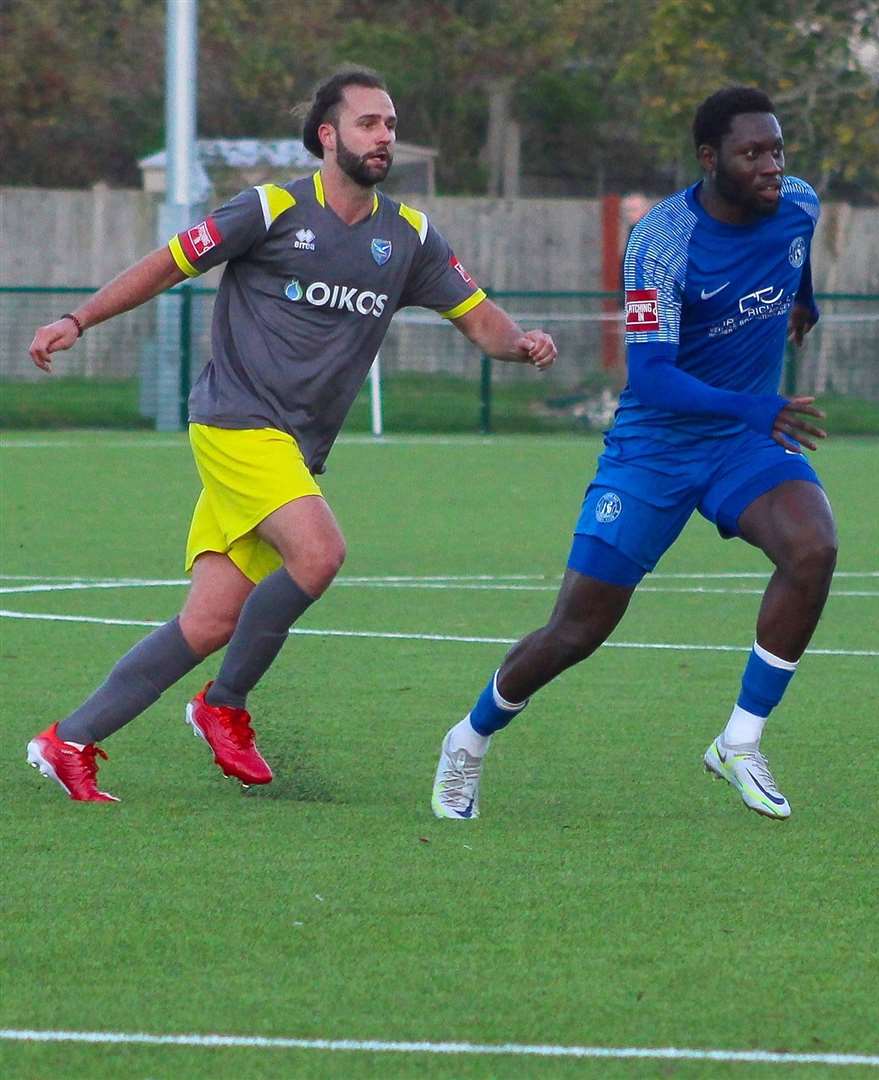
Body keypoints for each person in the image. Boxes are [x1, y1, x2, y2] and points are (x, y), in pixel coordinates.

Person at [23, 67, 558, 801]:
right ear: (328, 135)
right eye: (369, 123)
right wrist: (77, 319)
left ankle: (68, 740)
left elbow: (477, 316)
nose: (385, 137)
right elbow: (166, 265)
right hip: (237, 422)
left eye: (391, 124)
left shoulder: (407, 236)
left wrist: (521, 342)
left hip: (292, 449)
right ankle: (223, 706)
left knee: (209, 622)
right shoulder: (269, 209)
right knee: (320, 552)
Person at [431, 87, 832, 822]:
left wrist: (806, 302)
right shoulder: (661, 242)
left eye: (777, 150)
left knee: (813, 549)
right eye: (753, 154)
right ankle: (469, 738)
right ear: (710, 160)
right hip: (653, 450)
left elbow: (795, 256)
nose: (772, 166)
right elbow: (650, 375)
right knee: (577, 630)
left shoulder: (799, 202)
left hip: (741, 444)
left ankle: (740, 740)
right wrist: (756, 404)